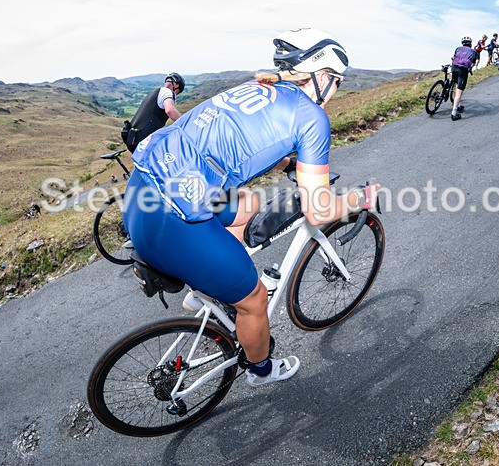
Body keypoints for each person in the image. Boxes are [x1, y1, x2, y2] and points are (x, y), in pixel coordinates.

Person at [122, 28, 380, 386]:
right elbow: (319, 211)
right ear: (321, 77)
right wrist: (361, 199)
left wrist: (289, 165)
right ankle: (261, 369)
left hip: (141, 194)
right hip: (175, 220)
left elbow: (253, 140)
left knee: (249, 204)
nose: (336, 89)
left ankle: (211, 291)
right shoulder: (311, 118)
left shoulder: (255, 87)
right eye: (336, 80)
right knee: (256, 300)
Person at [121, 73, 185, 152]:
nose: (176, 95)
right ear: (176, 85)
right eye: (177, 92)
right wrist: (186, 123)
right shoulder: (168, 92)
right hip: (144, 141)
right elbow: (170, 110)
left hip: (133, 139)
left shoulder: (154, 92)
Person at [449, 36, 476, 120]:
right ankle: (454, 113)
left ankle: (458, 105)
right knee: (459, 92)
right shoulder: (473, 51)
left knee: (456, 85)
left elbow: (452, 57)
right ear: (470, 43)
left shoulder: (458, 48)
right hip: (463, 70)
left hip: (454, 68)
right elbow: (473, 63)